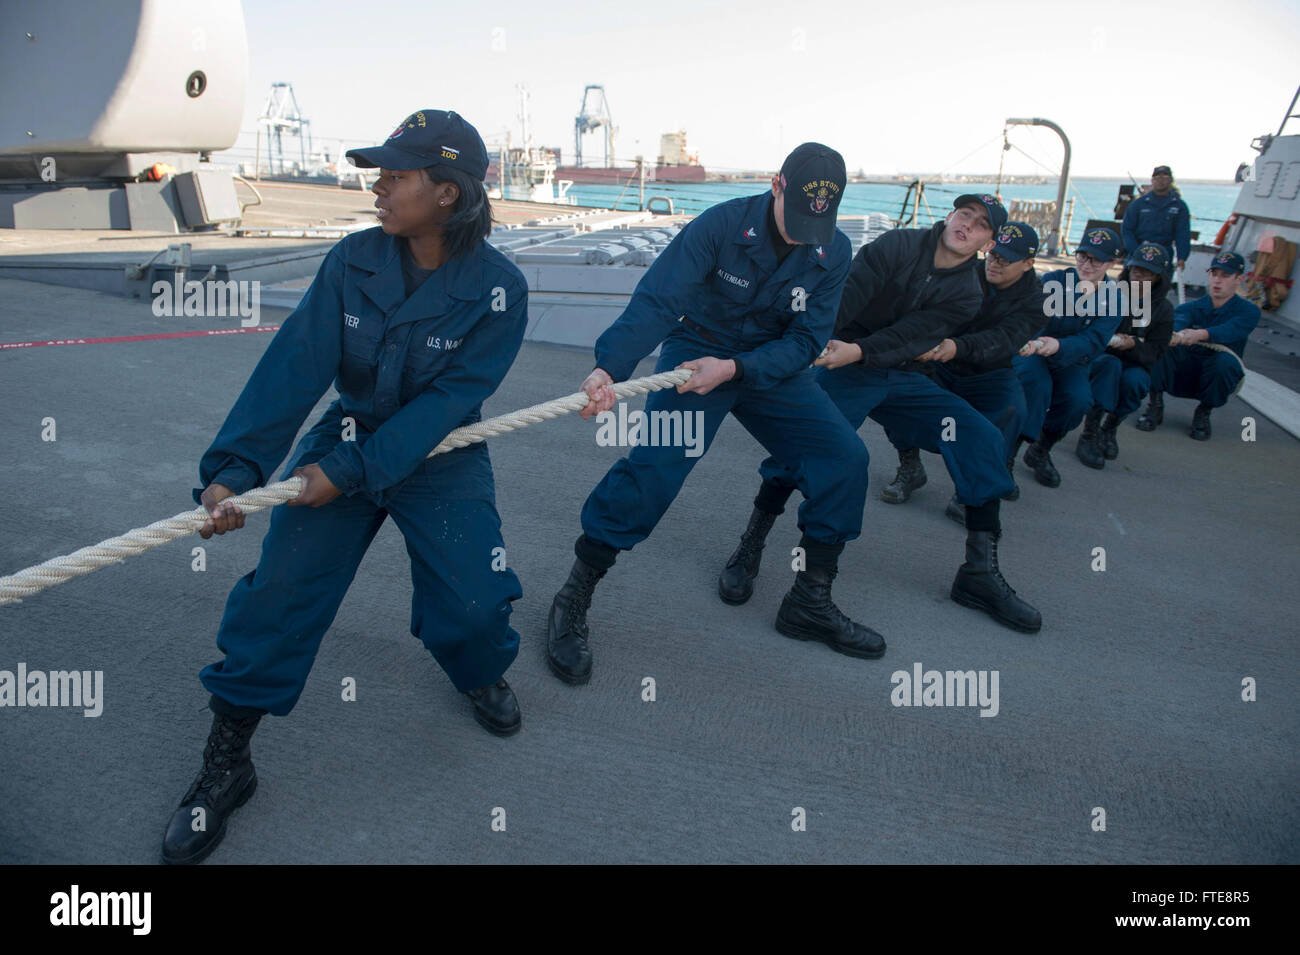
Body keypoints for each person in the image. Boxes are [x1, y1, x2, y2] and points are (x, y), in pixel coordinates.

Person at [160, 110, 530, 865]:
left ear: (448, 193)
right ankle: (228, 761)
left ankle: (478, 668)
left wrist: (350, 474)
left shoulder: (500, 289)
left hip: (440, 454)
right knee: (279, 593)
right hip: (352, 434)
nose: (379, 186)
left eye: (397, 175)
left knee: (473, 601)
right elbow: (295, 364)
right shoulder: (353, 260)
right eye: (380, 173)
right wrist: (234, 468)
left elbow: (444, 405)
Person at [545, 143, 881, 684]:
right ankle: (574, 596)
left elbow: (807, 340)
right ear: (776, 185)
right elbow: (658, 299)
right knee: (655, 469)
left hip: (771, 368)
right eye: (795, 218)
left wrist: (737, 369)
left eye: (815, 226)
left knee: (843, 458)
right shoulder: (720, 226)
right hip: (696, 351)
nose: (803, 235)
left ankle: (809, 602)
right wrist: (610, 368)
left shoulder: (834, 251)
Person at [728, 194, 1043, 634]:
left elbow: (911, 335)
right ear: (950, 216)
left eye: (981, 225)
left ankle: (978, 573)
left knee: (980, 436)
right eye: (964, 214)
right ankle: (751, 545)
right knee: (803, 451)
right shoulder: (897, 245)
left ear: (989, 242)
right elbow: (847, 296)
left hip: (902, 373)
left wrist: (861, 351)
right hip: (845, 366)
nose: (968, 225)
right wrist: (816, 344)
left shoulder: (968, 292)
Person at [886, 221, 1046, 522]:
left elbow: (1004, 340)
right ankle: (910, 466)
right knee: (895, 392)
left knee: (1012, 411)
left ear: (1028, 263)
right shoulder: (968, 272)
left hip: (990, 371)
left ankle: (971, 487)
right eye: (994, 255)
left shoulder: (1037, 301)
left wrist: (956, 346)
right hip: (941, 363)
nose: (995, 264)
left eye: (1006, 260)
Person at [1014, 227, 1127, 488]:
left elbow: (1095, 340)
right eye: (1082, 256)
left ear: (1112, 263)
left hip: (1071, 359)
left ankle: (1041, 448)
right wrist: (1041, 342)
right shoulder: (1053, 281)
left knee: (1078, 400)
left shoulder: (1116, 299)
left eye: (1096, 259)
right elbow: (1031, 320)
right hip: (1033, 351)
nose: (1086, 265)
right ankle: (1008, 456)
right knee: (1036, 388)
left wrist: (1058, 346)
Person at [1136, 251, 1260, 440]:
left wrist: (1199, 334)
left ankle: (1204, 412)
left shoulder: (1249, 311)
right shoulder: (1190, 307)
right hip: (1184, 370)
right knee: (1160, 346)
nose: (1218, 281)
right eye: (1214, 274)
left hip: (1213, 372)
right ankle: (1155, 405)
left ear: (1239, 279)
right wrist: (1175, 332)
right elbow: (1178, 319)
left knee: (1225, 364)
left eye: (1225, 276)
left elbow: (1232, 329)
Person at [1076, 242, 1174, 467]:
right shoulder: (1106, 295)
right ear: (1128, 270)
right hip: (1103, 356)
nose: (1140, 278)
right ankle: (1090, 432)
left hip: (1135, 361)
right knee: (1109, 366)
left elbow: (1157, 351)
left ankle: (1110, 428)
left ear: (1159, 278)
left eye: (1148, 274)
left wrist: (1132, 345)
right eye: (1136, 271)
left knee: (1136, 381)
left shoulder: (1163, 309)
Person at [1121, 165, 1191, 273]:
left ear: (1171, 180)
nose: (1160, 181)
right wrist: (1135, 251)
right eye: (1157, 177)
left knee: (1160, 287)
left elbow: (1182, 233)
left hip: (1164, 253)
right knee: (1134, 288)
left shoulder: (1179, 206)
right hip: (1139, 250)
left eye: (1164, 177)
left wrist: (1182, 257)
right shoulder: (1139, 204)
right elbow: (1127, 229)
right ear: (1152, 180)